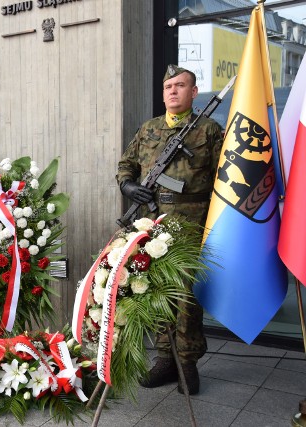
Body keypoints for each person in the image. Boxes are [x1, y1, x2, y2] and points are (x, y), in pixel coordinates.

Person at [116, 65, 224, 395]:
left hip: (192, 222)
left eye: (180, 85)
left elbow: (226, 176)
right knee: (157, 291)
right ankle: (165, 358)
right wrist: (129, 187)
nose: (173, 91)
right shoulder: (148, 128)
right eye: (168, 87)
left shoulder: (208, 130)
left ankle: (187, 363)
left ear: (194, 92)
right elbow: (126, 165)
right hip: (152, 220)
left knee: (187, 295)